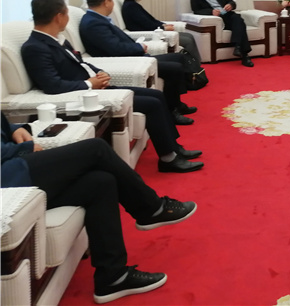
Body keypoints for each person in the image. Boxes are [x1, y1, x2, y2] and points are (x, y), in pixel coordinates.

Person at [1, 114, 197, 303]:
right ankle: (151, 209)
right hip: (7, 177)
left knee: (101, 183)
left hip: (11, 168)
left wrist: (14, 129)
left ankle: (113, 277)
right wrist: (23, 148)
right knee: (96, 148)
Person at [20, 0, 203, 173]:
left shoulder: (57, 39)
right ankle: (168, 158)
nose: (68, 19)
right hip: (85, 96)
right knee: (152, 103)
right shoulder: (35, 47)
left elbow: (81, 63)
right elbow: (52, 85)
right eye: (66, 14)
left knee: (156, 95)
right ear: (58, 17)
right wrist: (90, 83)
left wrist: (99, 73)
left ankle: (174, 148)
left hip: (96, 86)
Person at [79, 0, 196, 126]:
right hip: (126, 61)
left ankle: (177, 103)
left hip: (133, 56)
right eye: (111, 1)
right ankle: (172, 111)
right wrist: (138, 47)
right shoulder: (93, 23)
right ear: (106, 2)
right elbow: (115, 49)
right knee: (174, 68)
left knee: (178, 57)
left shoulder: (98, 19)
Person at [119, 0, 202, 64]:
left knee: (189, 36)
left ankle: (196, 63)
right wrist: (163, 28)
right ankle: (195, 65)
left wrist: (163, 25)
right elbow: (146, 24)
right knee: (187, 40)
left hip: (154, 30)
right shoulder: (131, 7)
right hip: (149, 34)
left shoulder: (133, 4)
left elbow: (151, 20)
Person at [190, 0, 253, 67]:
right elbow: (196, 10)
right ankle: (244, 54)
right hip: (216, 19)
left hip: (227, 15)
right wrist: (211, 12)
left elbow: (232, 2)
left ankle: (238, 47)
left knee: (238, 19)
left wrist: (230, 5)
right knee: (240, 23)